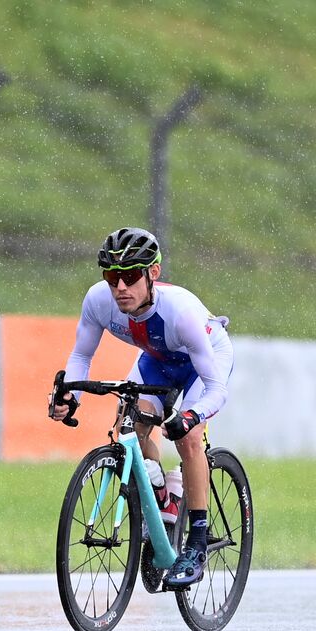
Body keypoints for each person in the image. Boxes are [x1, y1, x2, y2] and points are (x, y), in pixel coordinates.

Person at [48, 227, 235, 588]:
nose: (120, 288)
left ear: (153, 274)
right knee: (130, 424)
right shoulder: (98, 301)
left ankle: (196, 542)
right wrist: (71, 396)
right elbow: (81, 355)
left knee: (189, 437)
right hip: (158, 360)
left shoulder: (180, 314)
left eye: (130, 276)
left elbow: (216, 388)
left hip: (204, 361)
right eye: (112, 276)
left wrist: (191, 416)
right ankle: (164, 498)